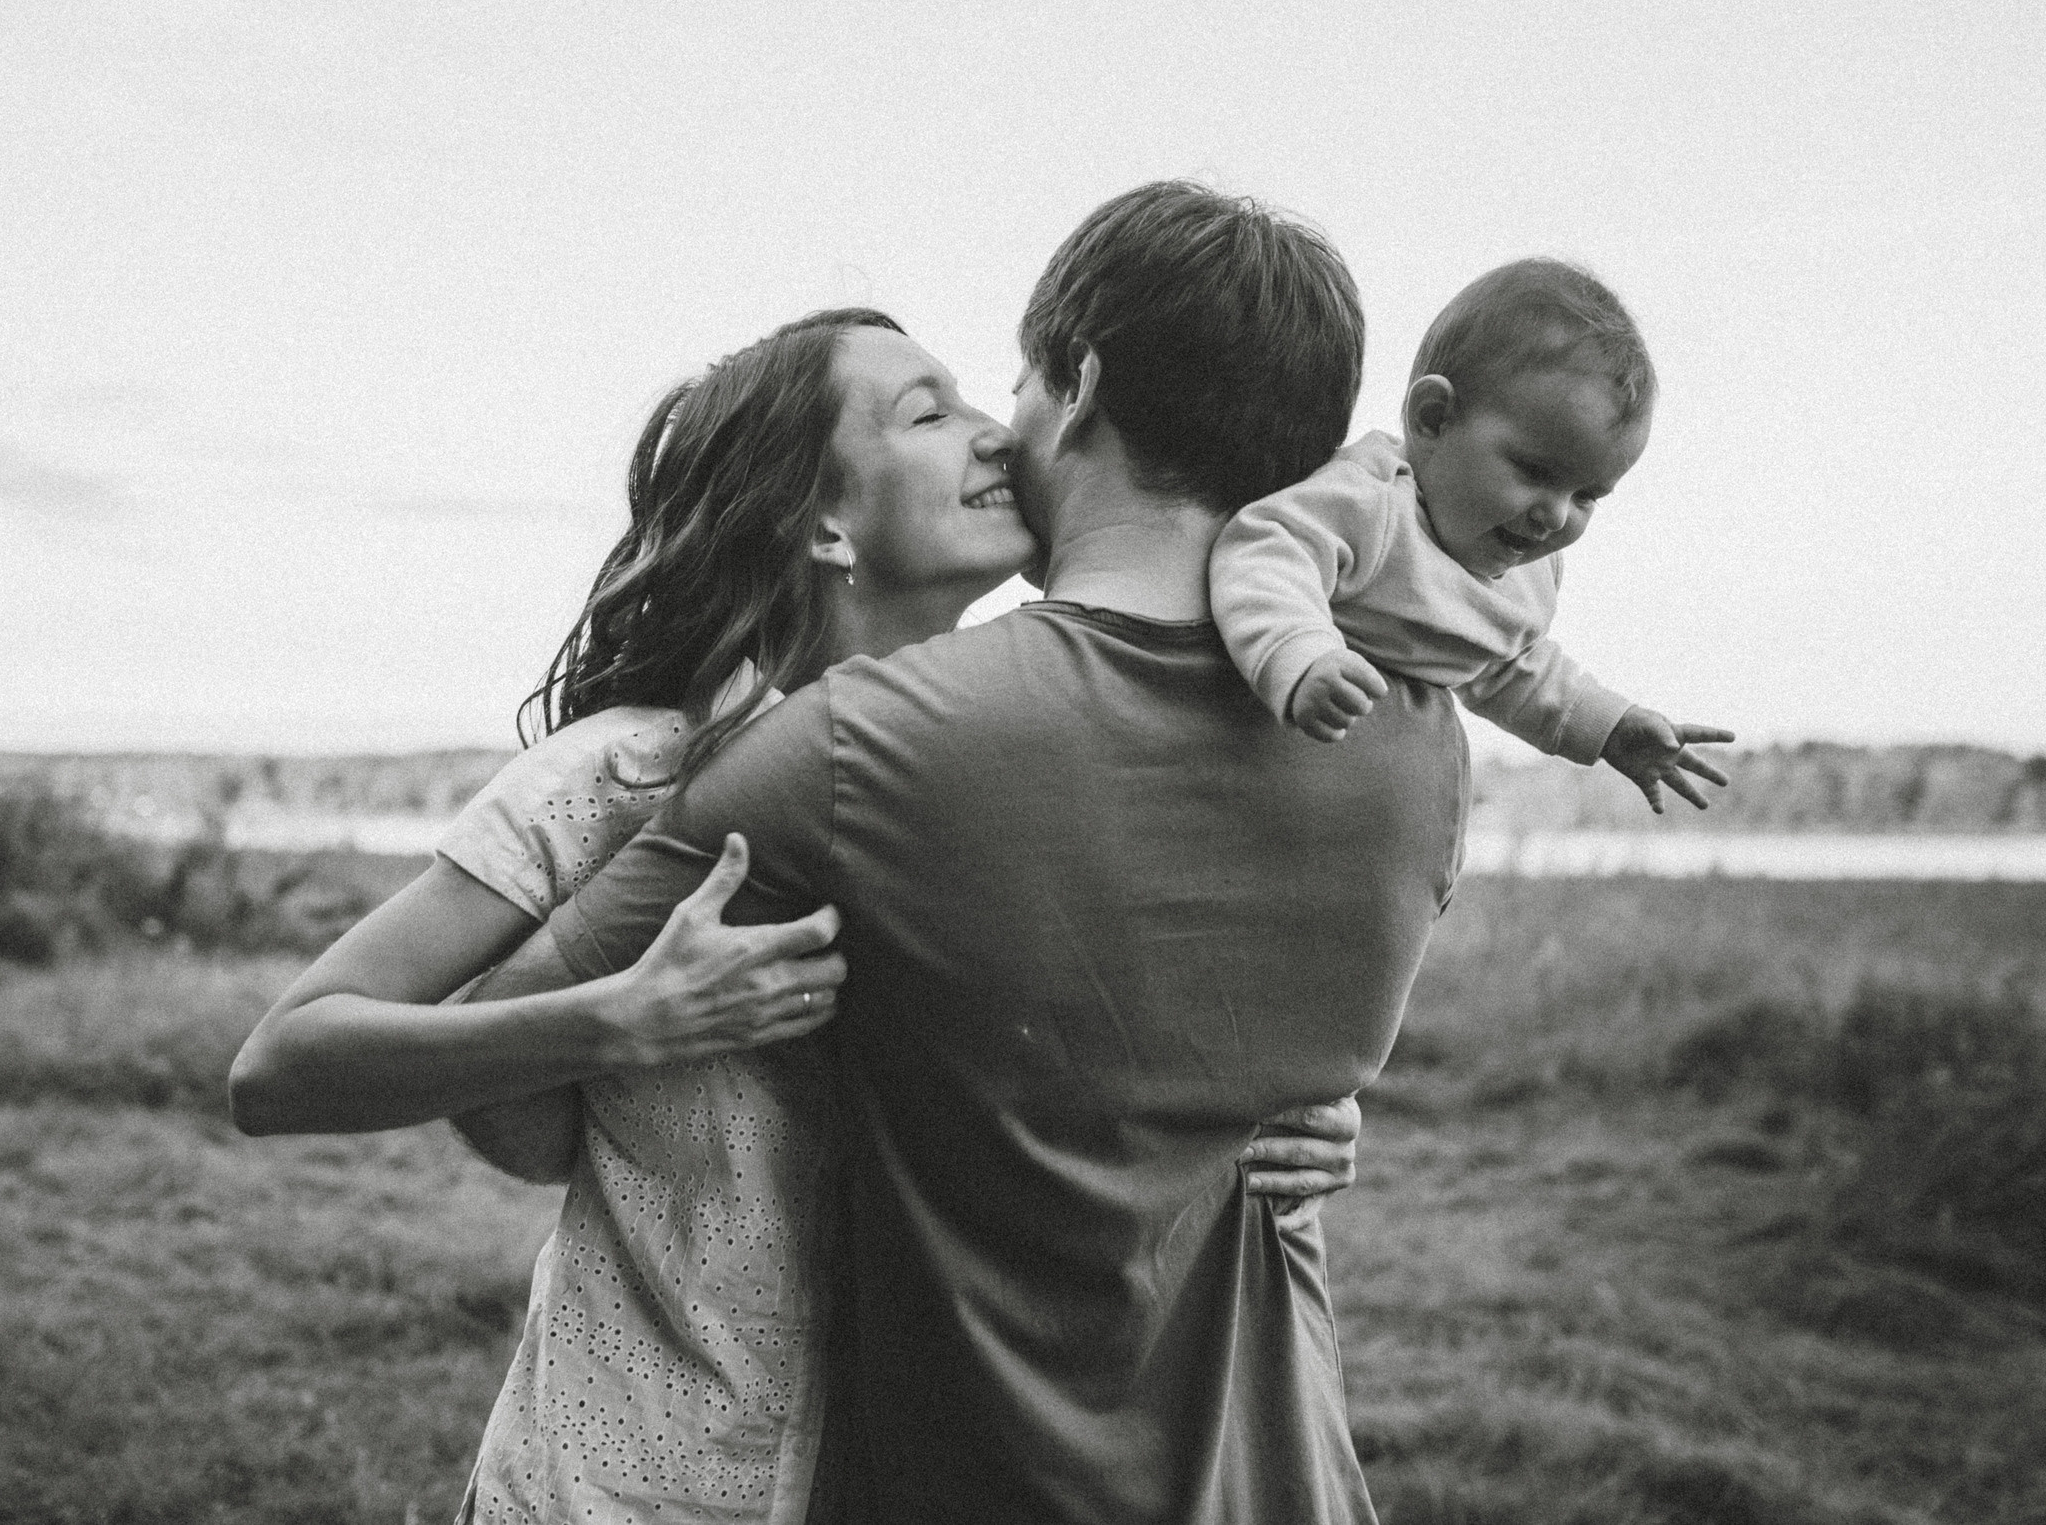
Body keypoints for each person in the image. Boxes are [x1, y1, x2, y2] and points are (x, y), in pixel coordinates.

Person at [226, 307, 1363, 1525]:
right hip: (633, 1489)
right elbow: (283, 1067)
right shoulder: (622, 780)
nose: (996, 436)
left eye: (978, 400)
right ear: (818, 522)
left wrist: (1291, 1105)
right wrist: (620, 1018)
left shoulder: (1009, 786)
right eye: (927, 414)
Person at [487, 181, 1460, 1523]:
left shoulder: (859, 749)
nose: (1004, 425)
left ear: (1087, 382)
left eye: (1012, 382)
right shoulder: (1422, 744)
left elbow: (511, 1042)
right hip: (1290, 1475)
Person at [1208, 258, 1734, 811]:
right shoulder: (1371, 502)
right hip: (1278, 794)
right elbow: (1263, 553)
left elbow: (1506, 667)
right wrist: (1302, 657)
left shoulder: (1525, 573)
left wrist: (1609, 728)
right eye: (1535, 472)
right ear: (1433, 420)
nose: (1555, 516)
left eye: (1586, 496)